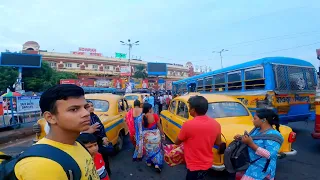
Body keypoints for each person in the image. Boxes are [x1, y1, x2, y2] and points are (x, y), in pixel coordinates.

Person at [14, 84, 100, 180]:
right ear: (50, 117)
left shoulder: (76, 143)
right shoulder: (42, 165)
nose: (86, 113)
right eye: (74, 109)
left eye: (85, 107)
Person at [175, 96, 223, 180]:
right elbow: (218, 142)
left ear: (193, 110)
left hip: (193, 164)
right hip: (207, 163)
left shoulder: (188, 125)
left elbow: (177, 142)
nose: (189, 110)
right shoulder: (216, 124)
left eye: (189, 108)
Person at [234, 109, 284, 180]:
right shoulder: (256, 130)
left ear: (263, 120)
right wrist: (241, 138)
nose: (252, 120)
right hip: (251, 166)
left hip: (262, 170)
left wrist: (251, 144)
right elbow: (252, 139)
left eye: (255, 118)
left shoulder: (274, 136)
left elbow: (270, 155)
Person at [133, 103, 165, 172]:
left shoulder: (140, 118)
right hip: (155, 137)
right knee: (157, 150)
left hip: (146, 138)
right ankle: (157, 164)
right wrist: (163, 135)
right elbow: (159, 126)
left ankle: (149, 162)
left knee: (148, 150)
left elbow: (138, 130)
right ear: (149, 109)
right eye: (151, 108)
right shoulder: (155, 116)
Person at [84, 101, 113, 176]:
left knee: (104, 158)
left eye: (92, 106)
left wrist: (104, 137)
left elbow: (101, 127)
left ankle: (106, 173)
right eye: (88, 106)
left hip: (99, 141)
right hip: (89, 144)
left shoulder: (94, 116)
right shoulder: (83, 119)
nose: (91, 108)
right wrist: (89, 131)